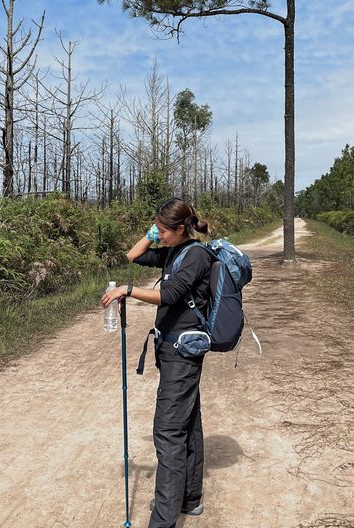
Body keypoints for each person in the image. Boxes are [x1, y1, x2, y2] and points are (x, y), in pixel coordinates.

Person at [101, 197, 212, 528]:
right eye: (158, 230)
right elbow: (133, 255)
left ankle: (163, 520)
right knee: (188, 423)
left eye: (164, 230)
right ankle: (189, 498)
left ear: (181, 229)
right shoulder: (174, 250)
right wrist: (153, 233)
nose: (159, 236)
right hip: (171, 349)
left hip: (182, 353)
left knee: (167, 432)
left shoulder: (195, 256)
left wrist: (129, 290)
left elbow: (171, 294)